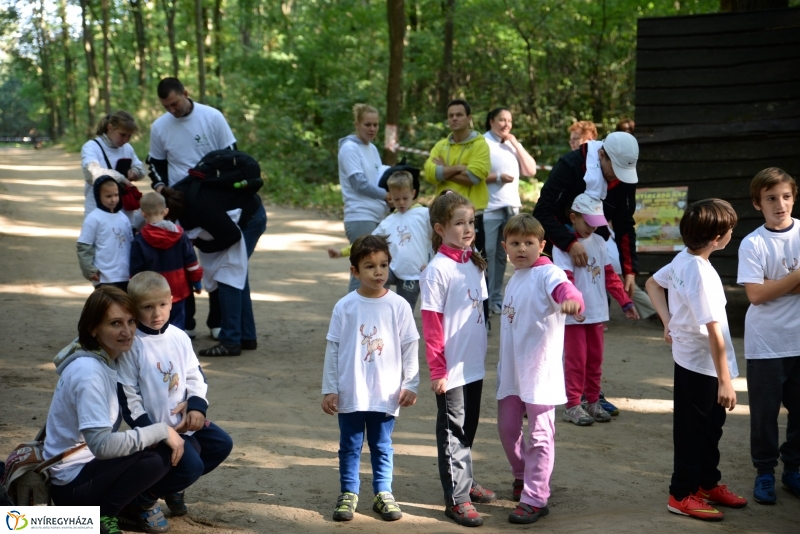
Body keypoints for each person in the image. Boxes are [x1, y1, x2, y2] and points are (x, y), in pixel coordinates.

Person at [43, 287, 185, 534]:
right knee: (159, 452)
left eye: (131, 321)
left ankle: (113, 509)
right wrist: (160, 430)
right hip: (71, 483)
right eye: (115, 323)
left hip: (81, 467)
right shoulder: (89, 374)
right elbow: (102, 446)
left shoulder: (100, 355)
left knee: (168, 446)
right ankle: (102, 516)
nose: (127, 331)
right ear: (93, 328)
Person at [645, 199, 747, 522]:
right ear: (717, 239)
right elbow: (714, 332)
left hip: (697, 363)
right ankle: (681, 493)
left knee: (709, 429)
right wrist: (726, 381)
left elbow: (652, 283)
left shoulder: (683, 258)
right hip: (702, 367)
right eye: (730, 230)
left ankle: (707, 483)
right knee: (692, 432)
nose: (731, 233)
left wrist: (667, 321)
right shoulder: (702, 274)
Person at [533, 131, 640, 416]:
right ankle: (537, 395)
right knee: (549, 331)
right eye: (613, 169)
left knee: (588, 350)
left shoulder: (622, 177)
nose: (616, 177)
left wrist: (629, 269)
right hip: (556, 244)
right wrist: (569, 243)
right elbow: (542, 211)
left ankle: (590, 396)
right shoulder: (570, 166)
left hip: (593, 244)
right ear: (602, 155)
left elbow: (624, 222)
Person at [117, 272, 233, 517]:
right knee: (191, 467)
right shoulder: (132, 345)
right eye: (147, 307)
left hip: (183, 422)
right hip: (157, 429)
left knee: (221, 444)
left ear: (172, 300)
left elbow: (194, 374)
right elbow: (129, 397)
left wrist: (196, 406)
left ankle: (174, 488)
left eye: (162, 304)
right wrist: (151, 431)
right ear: (133, 307)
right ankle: (143, 499)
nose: (157, 313)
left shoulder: (179, 336)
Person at [321, 235, 420, 522]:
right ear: (354, 271)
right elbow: (334, 348)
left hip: (386, 392)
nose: (378, 272)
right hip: (351, 390)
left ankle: (383, 494)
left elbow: (410, 345)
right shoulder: (345, 306)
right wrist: (330, 388)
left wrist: (410, 383)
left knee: (381, 444)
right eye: (369, 266)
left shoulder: (399, 305)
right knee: (349, 445)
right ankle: (348, 493)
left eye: (383, 265)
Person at [496, 213, 584, 524]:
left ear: (542, 245)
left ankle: (536, 496)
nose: (522, 249)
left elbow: (565, 290)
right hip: (511, 373)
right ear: (505, 246)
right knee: (507, 430)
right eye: (515, 243)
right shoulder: (515, 278)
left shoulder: (548, 273)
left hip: (540, 373)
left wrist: (572, 301)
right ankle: (522, 476)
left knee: (541, 435)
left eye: (529, 243)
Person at [420, 191, 496, 527]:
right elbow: (433, 326)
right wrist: (438, 369)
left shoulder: (474, 262)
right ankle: (457, 497)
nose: (468, 229)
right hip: (450, 369)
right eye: (459, 223)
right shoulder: (437, 270)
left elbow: (479, 312)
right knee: (453, 430)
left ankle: (465, 480)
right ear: (440, 228)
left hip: (473, 364)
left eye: (471, 222)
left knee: (469, 426)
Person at [147, 77, 237, 339]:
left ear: (185, 93)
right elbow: (156, 163)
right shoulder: (160, 127)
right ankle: (186, 321)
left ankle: (217, 321)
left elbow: (232, 156)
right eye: (166, 107)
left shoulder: (213, 117)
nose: (172, 110)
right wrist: (162, 188)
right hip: (178, 203)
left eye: (175, 103)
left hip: (213, 201)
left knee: (216, 262)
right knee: (180, 263)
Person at [736, 167, 800, 504]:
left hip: (799, 342)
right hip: (766, 343)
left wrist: (773, 285)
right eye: (771, 198)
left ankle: (793, 469)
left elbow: (765, 289)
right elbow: (756, 296)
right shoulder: (752, 243)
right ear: (757, 203)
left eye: (786, 196)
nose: (780, 204)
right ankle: (764, 472)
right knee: (764, 415)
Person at [552, 195, 638, 426]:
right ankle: (572, 405)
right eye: (587, 221)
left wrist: (625, 302)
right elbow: (565, 280)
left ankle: (592, 401)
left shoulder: (599, 242)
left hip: (597, 314)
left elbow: (610, 275)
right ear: (573, 217)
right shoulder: (563, 245)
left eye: (595, 222)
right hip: (575, 317)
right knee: (575, 361)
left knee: (594, 360)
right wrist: (573, 305)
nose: (592, 227)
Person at [161, 174, 267, 357]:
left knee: (228, 275)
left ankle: (230, 340)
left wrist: (203, 245)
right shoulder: (179, 194)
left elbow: (231, 235)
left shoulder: (200, 209)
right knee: (237, 275)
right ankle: (247, 336)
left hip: (251, 219)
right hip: (238, 219)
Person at [328, 171, 431, 310]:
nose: (401, 202)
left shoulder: (424, 215)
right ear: (390, 197)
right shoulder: (388, 222)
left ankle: (400, 331)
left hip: (413, 275)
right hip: (391, 270)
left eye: (405, 198)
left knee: (404, 309)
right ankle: (366, 310)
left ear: (413, 193)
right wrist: (341, 252)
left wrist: (434, 263)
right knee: (369, 274)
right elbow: (367, 242)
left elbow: (441, 236)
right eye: (396, 199)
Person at [482, 108, 537, 315]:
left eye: (509, 121)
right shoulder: (483, 142)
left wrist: (514, 142)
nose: (506, 124)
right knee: (488, 254)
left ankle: (501, 298)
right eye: (501, 120)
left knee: (508, 255)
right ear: (491, 121)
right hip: (490, 208)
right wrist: (497, 177)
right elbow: (474, 173)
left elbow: (531, 170)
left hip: (512, 207)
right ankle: (486, 298)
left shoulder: (513, 144)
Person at [129, 192, 204, 330]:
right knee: (177, 323)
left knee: (154, 322)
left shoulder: (139, 240)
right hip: (178, 287)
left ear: (143, 214)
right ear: (166, 211)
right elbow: (191, 262)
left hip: (151, 291)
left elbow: (136, 271)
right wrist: (197, 282)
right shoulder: (180, 234)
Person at [338, 103, 392, 293]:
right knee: (363, 272)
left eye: (375, 125)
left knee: (375, 271)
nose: (372, 129)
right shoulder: (349, 148)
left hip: (377, 215)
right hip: (360, 216)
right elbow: (358, 183)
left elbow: (376, 180)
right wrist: (386, 195)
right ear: (357, 124)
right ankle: (352, 318)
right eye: (367, 124)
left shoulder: (373, 148)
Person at [80, 111, 145, 226]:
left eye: (129, 136)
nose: (125, 139)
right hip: (97, 211)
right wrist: (120, 178)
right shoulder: (92, 147)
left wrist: (134, 172)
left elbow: (141, 169)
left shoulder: (127, 148)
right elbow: (91, 173)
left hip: (125, 214)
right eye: (122, 134)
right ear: (110, 128)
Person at [77, 176, 133, 292]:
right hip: (104, 278)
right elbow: (84, 246)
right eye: (108, 196)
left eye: (116, 195)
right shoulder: (94, 218)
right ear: (98, 196)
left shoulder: (124, 218)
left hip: (125, 276)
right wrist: (89, 270)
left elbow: (131, 244)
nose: (113, 200)